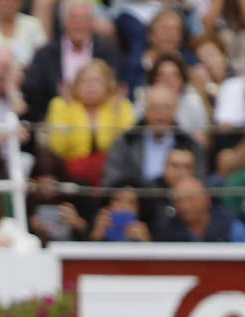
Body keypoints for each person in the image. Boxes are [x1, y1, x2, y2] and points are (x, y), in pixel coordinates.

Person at [21, 0, 120, 123]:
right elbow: (33, 90)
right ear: (64, 21)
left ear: (92, 22)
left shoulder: (107, 50)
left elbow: (115, 84)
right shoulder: (46, 53)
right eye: (74, 18)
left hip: (100, 123)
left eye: (84, 19)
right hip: (55, 123)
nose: (79, 24)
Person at [45, 58, 134, 186]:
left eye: (97, 80)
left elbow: (125, 148)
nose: (90, 85)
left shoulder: (121, 105)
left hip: (111, 173)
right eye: (84, 80)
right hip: (71, 173)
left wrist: (115, 115)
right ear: (75, 85)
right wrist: (68, 110)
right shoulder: (61, 105)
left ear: (108, 85)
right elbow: (58, 148)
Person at [103, 83, 207, 189]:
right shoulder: (125, 142)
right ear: (145, 111)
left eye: (166, 108)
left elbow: (199, 184)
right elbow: (112, 180)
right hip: (136, 201)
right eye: (155, 108)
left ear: (175, 110)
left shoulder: (190, 145)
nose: (161, 114)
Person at [152, 176, 245, 241]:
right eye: (179, 200)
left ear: (207, 199)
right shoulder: (165, 230)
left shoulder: (231, 226)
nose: (185, 206)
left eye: (190, 199)